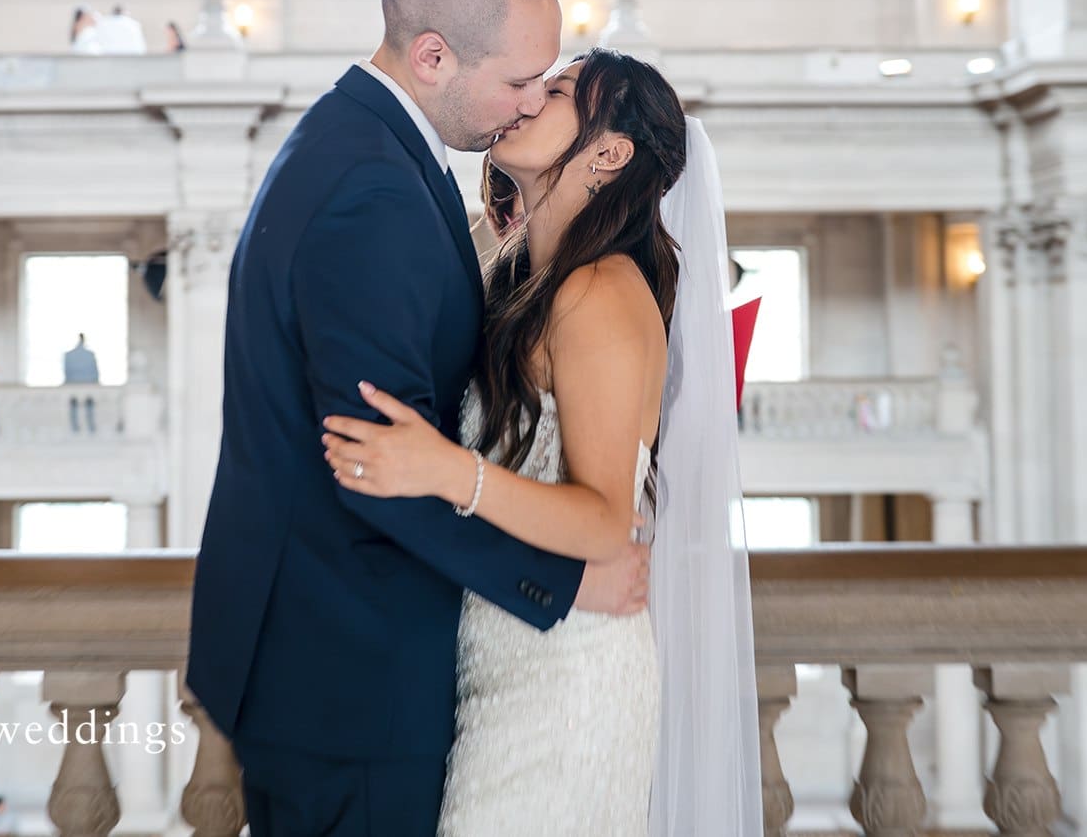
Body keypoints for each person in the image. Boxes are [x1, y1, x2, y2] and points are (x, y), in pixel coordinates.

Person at [187, 0, 650, 837]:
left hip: (348, 663)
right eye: (522, 81)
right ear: (433, 55)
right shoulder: (374, 189)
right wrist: (555, 580)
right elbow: (374, 462)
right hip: (346, 674)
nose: (525, 107)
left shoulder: (364, 150)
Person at [326, 50, 763, 834]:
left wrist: (445, 469)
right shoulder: (530, 274)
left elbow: (603, 519)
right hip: (500, 661)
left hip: (568, 686)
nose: (525, 99)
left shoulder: (599, 291)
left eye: (554, 91)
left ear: (608, 152)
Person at [62, 333, 99, 433]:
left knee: (77, 407)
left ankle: (77, 429)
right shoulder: (89, 355)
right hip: (86, 386)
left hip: (76, 386)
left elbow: (66, 371)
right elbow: (95, 372)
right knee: (86, 407)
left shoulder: (69, 355)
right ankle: (89, 428)